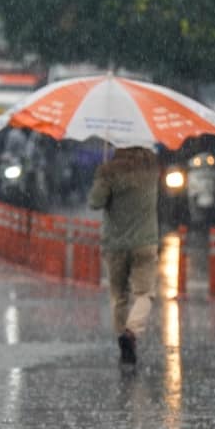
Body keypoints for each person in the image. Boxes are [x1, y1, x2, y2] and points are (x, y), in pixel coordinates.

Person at [87, 145, 160, 365]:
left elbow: (94, 202)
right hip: (145, 243)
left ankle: (122, 339)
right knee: (145, 293)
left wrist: (102, 176)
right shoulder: (152, 170)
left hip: (115, 244)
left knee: (119, 296)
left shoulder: (110, 172)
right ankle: (132, 332)